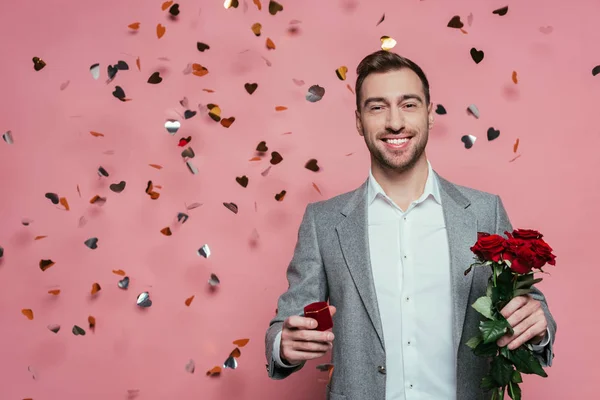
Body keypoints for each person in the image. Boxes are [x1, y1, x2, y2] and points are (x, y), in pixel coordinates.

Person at [264, 50, 556, 400]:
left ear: (430, 114)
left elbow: (527, 305)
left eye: (409, 104)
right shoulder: (323, 221)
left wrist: (538, 327)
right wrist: (285, 344)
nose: (395, 122)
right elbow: (287, 322)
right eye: (377, 107)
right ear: (359, 121)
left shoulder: (484, 211)